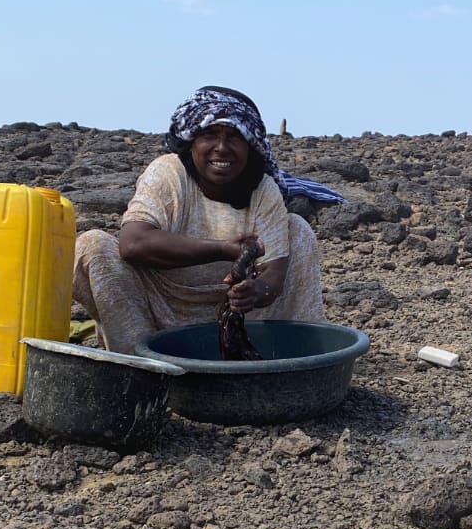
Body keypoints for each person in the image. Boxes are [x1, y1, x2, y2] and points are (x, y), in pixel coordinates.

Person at [73, 86, 339, 354]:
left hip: (240, 323)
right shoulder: (169, 173)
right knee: (92, 245)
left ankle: (291, 357)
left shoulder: (262, 189)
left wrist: (256, 291)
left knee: (298, 229)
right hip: (156, 316)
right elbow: (132, 244)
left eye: (235, 137)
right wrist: (222, 249)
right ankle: (139, 364)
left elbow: (275, 274)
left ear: (250, 146)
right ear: (191, 143)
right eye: (209, 135)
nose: (221, 148)